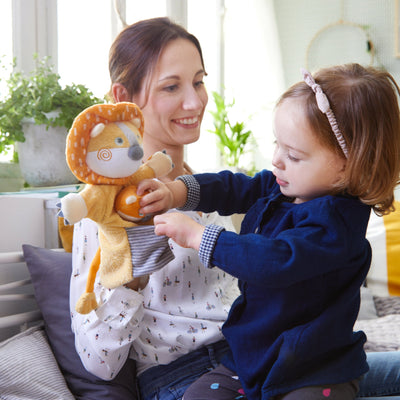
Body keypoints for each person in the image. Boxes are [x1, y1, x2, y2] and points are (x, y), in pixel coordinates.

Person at [138, 64, 400, 400]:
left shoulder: (336, 227)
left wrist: (198, 237)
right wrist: (177, 192)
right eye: (278, 144)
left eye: (293, 155)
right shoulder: (283, 188)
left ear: (349, 167)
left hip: (315, 372)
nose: (277, 160)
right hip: (251, 360)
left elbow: (273, 261)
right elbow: (235, 187)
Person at [69, 17, 239, 400]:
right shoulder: (104, 209)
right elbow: (98, 361)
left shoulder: (206, 190)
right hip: (183, 379)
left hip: (252, 357)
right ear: (123, 97)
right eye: (171, 87)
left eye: (198, 81)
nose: (195, 101)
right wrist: (131, 279)